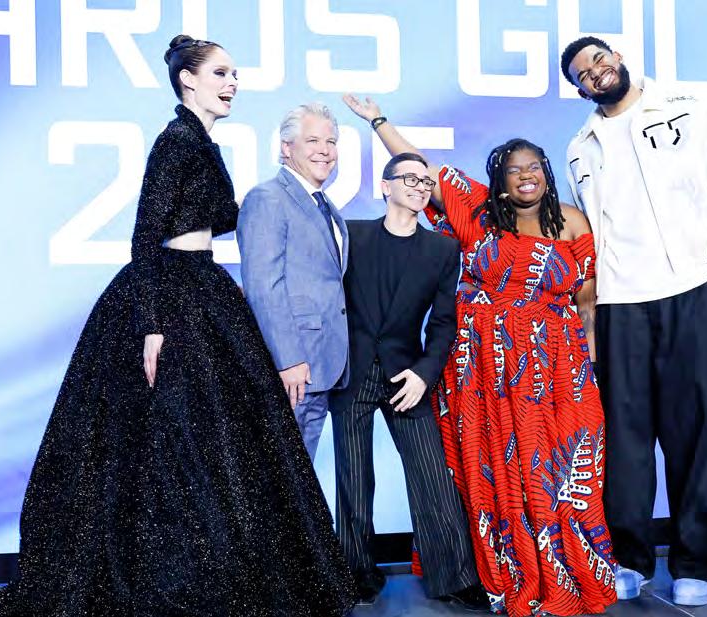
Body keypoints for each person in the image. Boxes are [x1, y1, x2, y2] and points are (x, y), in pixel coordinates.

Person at [0, 36, 354, 617]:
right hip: (171, 292)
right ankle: (168, 572)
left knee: (213, 443)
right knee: (166, 440)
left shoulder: (202, 142)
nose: (232, 84)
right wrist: (151, 325)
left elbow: (213, 219)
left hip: (202, 285)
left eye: (234, 74)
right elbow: (145, 234)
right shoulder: (176, 141)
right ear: (188, 80)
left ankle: (219, 567)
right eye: (221, 73)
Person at [343, 94, 618, 617]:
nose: (526, 176)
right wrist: (378, 121)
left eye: (533, 166)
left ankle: (563, 571)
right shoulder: (478, 214)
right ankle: (498, 570)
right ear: (500, 180)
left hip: (557, 368)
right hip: (483, 370)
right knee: (489, 469)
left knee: (563, 470)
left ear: (546, 172)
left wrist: (592, 367)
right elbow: (423, 171)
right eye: (514, 170)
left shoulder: (573, 222)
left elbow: (587, 303)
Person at [560, 36, 707, 607]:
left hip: (691, 291)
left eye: (599, 60)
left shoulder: (689, 111)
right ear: (580, 90)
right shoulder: (579, 149)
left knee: (699, 434)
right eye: (583, 74)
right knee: (625, 440)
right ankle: (629, 559)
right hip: (619, 306)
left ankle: (695, 564)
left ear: (617, 58)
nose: (595, 72)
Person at [331, 152, 488, 611]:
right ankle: (357, 572)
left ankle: (454, 577)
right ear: (386, 186)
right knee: (353, 479)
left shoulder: (443, 250)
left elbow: (443, 323)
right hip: (353, 371)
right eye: (410, 179)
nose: (420, 187)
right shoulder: (352, 235)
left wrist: (425, 373)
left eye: (425, 181)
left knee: (432, 476)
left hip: (408, 374)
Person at [237, 103, 349, 462]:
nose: (325, 151)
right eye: (313, 141)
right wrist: (288, 360)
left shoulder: (324, 204)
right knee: (279, 474)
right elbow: (263, 286)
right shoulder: (268, 198)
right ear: (287, 147)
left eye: (331, 142)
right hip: (293, 368)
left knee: (300, 475)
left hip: (322, 368)